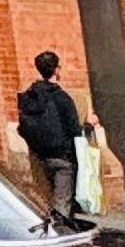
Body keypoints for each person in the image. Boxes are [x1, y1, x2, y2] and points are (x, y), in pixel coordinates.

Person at [16, 49, 88, 225]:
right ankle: (56, 239)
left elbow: (21, 128)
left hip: (40, 159)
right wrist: (89, 127)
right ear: (57, 70)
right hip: (63, 159)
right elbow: (74, 130)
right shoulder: (62, 98)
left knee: (48, 201)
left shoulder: (27, 98)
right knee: (61, 207)